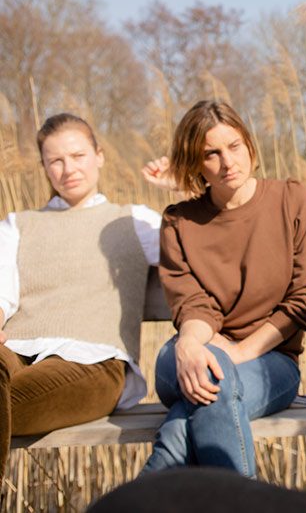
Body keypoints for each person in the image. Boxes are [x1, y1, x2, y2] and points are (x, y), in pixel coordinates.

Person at [140, 100, 306, 478]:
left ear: (250, 145)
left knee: (186, 421)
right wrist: (191, 345)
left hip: (272, 362)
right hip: (190, 355)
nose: (228, 162)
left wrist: (239, 351)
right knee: (210, 378)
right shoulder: (180, 222)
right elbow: (193, 305)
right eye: (212, 153)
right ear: (194, 163)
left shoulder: (291, 200)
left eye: (235, 146)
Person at [0, 114, 160, 480]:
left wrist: (181, 190)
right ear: (44, 167)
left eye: (78, 156)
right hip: (17, 347)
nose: (68, 168)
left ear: (99, 155)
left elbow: (196, 254)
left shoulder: (134, 221)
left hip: (94, 362)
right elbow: (1, 292)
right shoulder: (18, 224)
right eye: (55, 160)